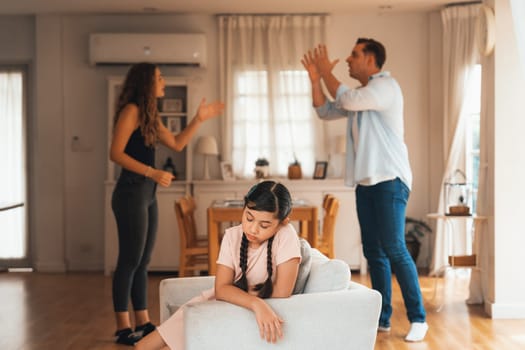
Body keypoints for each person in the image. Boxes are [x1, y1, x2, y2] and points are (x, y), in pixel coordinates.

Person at [301, 39, 428, 342]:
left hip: (390, 180)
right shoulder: (360, 96)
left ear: (371, 60)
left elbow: (347, 100)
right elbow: (324, 110)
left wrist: (324, 70)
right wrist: (315, 78)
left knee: (395, 248)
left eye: (354, 55)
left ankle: (418, 318)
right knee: (374, 252)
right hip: (367, 183)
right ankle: (382, 319)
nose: (347, 59)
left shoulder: (385, 88)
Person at [110, 62, 224, 345]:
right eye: (159, 78)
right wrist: (152, 172)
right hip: (130, 191)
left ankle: (143, 321)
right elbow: (115, 153)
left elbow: (176, 143)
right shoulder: (132, 111)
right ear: (146, 82)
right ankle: (123, 327)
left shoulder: (150, 115)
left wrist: (199, 118)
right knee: (129, 259)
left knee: (143, 260)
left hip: (147, 192)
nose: (163, 81)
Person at [135, 180, 302, 350]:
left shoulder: (286, 235)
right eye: (248, 218)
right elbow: (221, 289)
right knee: (142, 347)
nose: (253, 229)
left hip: (230, 312)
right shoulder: (232, 236)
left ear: (283, 222)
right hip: (213, 304)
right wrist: (255, 302)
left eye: (264, 225)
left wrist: (241, 295)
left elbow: (282, 292)